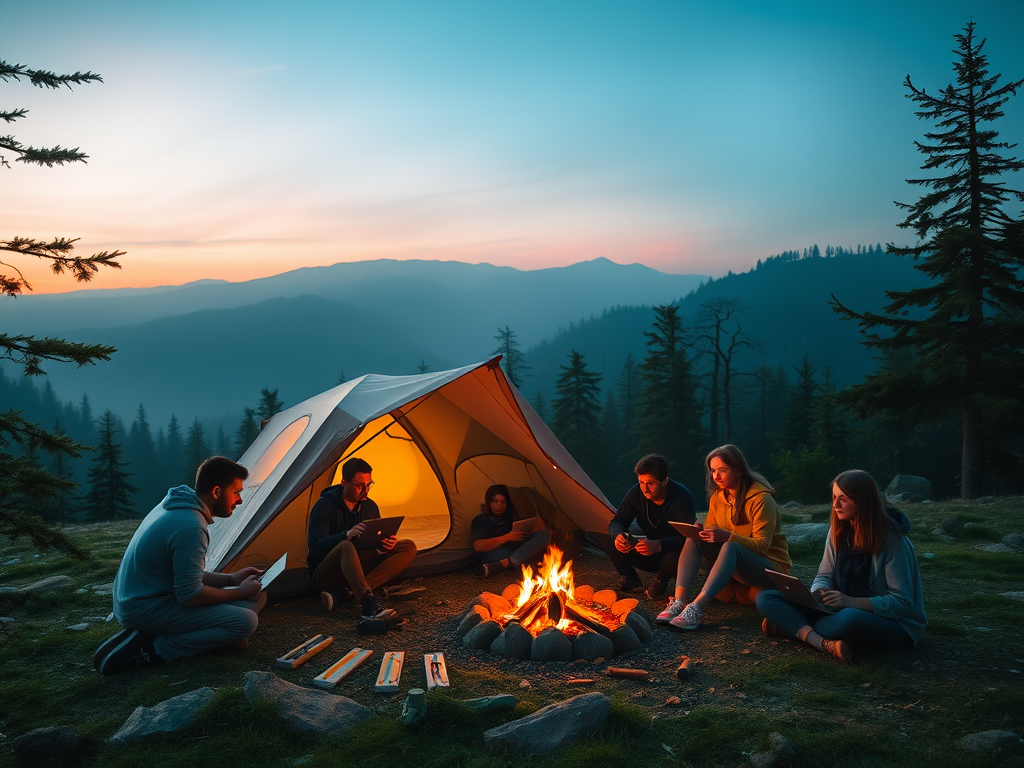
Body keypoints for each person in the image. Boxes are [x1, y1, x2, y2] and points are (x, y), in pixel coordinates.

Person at [95, 456, 266, 676]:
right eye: (236, 492)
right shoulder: (190, 527)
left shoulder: (179, 506)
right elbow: (190, 595)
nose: (240, 500)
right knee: (246, 622)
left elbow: (186, 574)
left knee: (259, 595)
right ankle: (154, 649)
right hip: (144, 608)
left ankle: (216, 634)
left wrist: (232, 580)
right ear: (216, 492)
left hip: (150, 596)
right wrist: (238, 593)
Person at [755, 470, 926, 663]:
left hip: (890, 622)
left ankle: (789, 625)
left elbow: (902, 602)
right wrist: (817, 592)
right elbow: (824, 575)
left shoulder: (892, 540)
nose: (835, 505)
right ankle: (821, 641)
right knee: (766, 597)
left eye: (843, 499)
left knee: (849, 620)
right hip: (837, 610)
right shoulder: (838, 532)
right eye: (834, 497)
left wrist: (849, 601)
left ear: (862, 501)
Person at [657, 444, 790, 630]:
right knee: (694, 538)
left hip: (769, 567)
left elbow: (762, 547)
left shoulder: (761, 499)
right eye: (712, 471)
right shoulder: (718, 497)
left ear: (737, 471)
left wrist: (728, 536)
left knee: (730, 546)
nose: (716, 476)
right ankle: (679, 601)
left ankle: (697, 608)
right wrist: (702, 532)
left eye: (722, 470)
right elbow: (712, 528)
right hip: (738, 563)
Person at [308, 457, 417, 621]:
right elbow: (315, 547)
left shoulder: (370, 506)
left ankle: (347, 593)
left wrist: (384, 546)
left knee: (408, 546)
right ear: (344, 483)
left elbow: (374, 542)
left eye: (369, 484)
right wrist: (344, 535)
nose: (366, 490)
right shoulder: (324, 506)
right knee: (346, 546)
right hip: (328, 572)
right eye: (360, 485)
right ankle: (368, 602)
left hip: (360, 566)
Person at [608, 454, 697, 598]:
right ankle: (631, 579)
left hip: (672, 556)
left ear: (665, 481)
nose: (645, 489)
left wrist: (657, 545)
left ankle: (660, 581)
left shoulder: (682, 497)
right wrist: (619, 536)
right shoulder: (636, 493)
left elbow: (687, 537)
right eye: (641, 482)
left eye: (651, 483)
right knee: (610, 538)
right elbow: (618, 521)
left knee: (683, 547)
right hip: (647, 551)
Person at [471, 484, 551, 577]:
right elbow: (478, 546)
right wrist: (508, 537)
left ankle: (508, 562)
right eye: (495, 501)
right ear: (488, 502)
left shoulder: (510, 517)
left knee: (544, 534)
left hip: (516, 548)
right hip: (496, 552)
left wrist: (523, 534)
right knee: (524, 554)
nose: (498, 506)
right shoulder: (480, 520)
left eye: (502, 502)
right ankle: (518, 560)